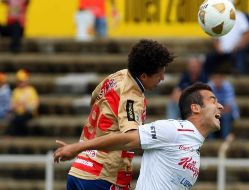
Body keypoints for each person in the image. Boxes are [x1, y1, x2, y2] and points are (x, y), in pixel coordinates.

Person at [54, 82, 224, 190]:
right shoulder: (174, 130)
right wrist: (77, 148)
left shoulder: (193, 143)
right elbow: (127, 138)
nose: (221, 106)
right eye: (213, 100)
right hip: (95, 175)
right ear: (195, 108)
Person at [54, 39, 174, 190]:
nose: (162, 78)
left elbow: (94, 98)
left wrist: (82, 146)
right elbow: (130, 138)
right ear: (143, 76)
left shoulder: (117, 76)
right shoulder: (132, 96)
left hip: (80, 169)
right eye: (159, 74)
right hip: (104, 176)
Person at [203, 0, 249, 75]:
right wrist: (218, 48)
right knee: (209, 59)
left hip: (236, 51)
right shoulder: (218, 17)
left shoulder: (239, 16)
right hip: (222, 52)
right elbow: (215, 36)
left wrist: (238, 47)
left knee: (240, 58)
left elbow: (246, 34)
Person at [208, 70, 240, 140]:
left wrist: (216, 111)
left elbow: (228, 107)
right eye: (215, 78)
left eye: (219, 78)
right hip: (215, 112)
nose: (217, 80)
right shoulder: (209, 86)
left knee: (226, 117)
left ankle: (224, 139)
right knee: (208, 117)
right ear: (212, 79)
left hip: (227, 112)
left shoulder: (228, 86)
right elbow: (208, 105)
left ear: (222, 78)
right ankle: (211, 142)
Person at [6, 69, 39, 136]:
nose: (20, 83)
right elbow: (12, 105)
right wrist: (16, 106)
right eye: (19, 81)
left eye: (22, 81)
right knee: (15, 119)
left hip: (29, 113)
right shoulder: (16, 91)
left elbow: (35, 104)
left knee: (20, 120)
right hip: (18, 113)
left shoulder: (31, 90)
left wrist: (25, 105)